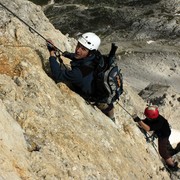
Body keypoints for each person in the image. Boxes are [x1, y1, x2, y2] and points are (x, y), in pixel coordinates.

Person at [47, 32, 115, 121]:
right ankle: (112, 116)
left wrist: (52, 53)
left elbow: (57, 74)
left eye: (83, 49)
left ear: (90, 52)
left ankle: (111, 119)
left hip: (96, 96)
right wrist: (67, 54)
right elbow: (80, 58)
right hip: (100, 90)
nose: (78, 50)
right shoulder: (95, 55)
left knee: (102, 104)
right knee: (107, 105)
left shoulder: (78, 73)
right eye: (78, 45)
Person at [133, 105, 179, 171]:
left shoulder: (159, 122)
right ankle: (171, 153)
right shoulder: (153, 117)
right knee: (166, 145)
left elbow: (148, 128)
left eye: (147, 116)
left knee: (163, 152)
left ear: (151, 117)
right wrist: (140, 121)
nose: (146, 117)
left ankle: (172, 166)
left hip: (163, 136)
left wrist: (139, 121)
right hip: (164, 132)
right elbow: (146, 122)